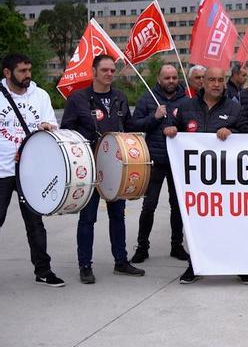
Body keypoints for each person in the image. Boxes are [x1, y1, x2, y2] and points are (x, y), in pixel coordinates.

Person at [61, 54, 144, 284]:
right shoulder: (78, 99)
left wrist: (154, 119)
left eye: (112, 70)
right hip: (89, 168)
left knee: (118, 216)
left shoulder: (119, 97)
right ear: (94, 72)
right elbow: (67, 131)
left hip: (116, 168)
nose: (109, 74)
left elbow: (130, 126)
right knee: (87, 219)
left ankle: (121, 261)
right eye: (105, 70)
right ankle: (85, 266)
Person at [167, 67, 248, 285]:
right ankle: (195, 265)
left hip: (226, 179)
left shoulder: (234, 108)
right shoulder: (186, 106)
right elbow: (173, 128)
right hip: (195, 181)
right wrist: (171, 130)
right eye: (211, 79)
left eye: (220, 80)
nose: (215, 84)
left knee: (231, 223)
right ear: (202, 82)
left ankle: (240, 265)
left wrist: (233, 133)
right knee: (197, 225)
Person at [0, 53, 65, 287]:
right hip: (2, 171)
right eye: (22, 71)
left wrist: (48, 127)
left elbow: (51, 126)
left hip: (30, 171)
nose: (28, 75)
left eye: (29, 70)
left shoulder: (40, 95)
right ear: (7, 73)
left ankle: (43, 271)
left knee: (35, 223)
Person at [129, 64, 189, 264]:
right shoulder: (148, 98)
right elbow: (133, 125)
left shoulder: (186, 99)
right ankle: (142, 247)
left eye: (174, 77)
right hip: (154, 159)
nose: (171, 81)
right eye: (167, 78)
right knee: (149, 205)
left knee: (177, 205)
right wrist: (154, 118)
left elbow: (192, 125)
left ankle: (176, 245)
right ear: (159, 79)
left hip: (177, 160)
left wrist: (177, 128)